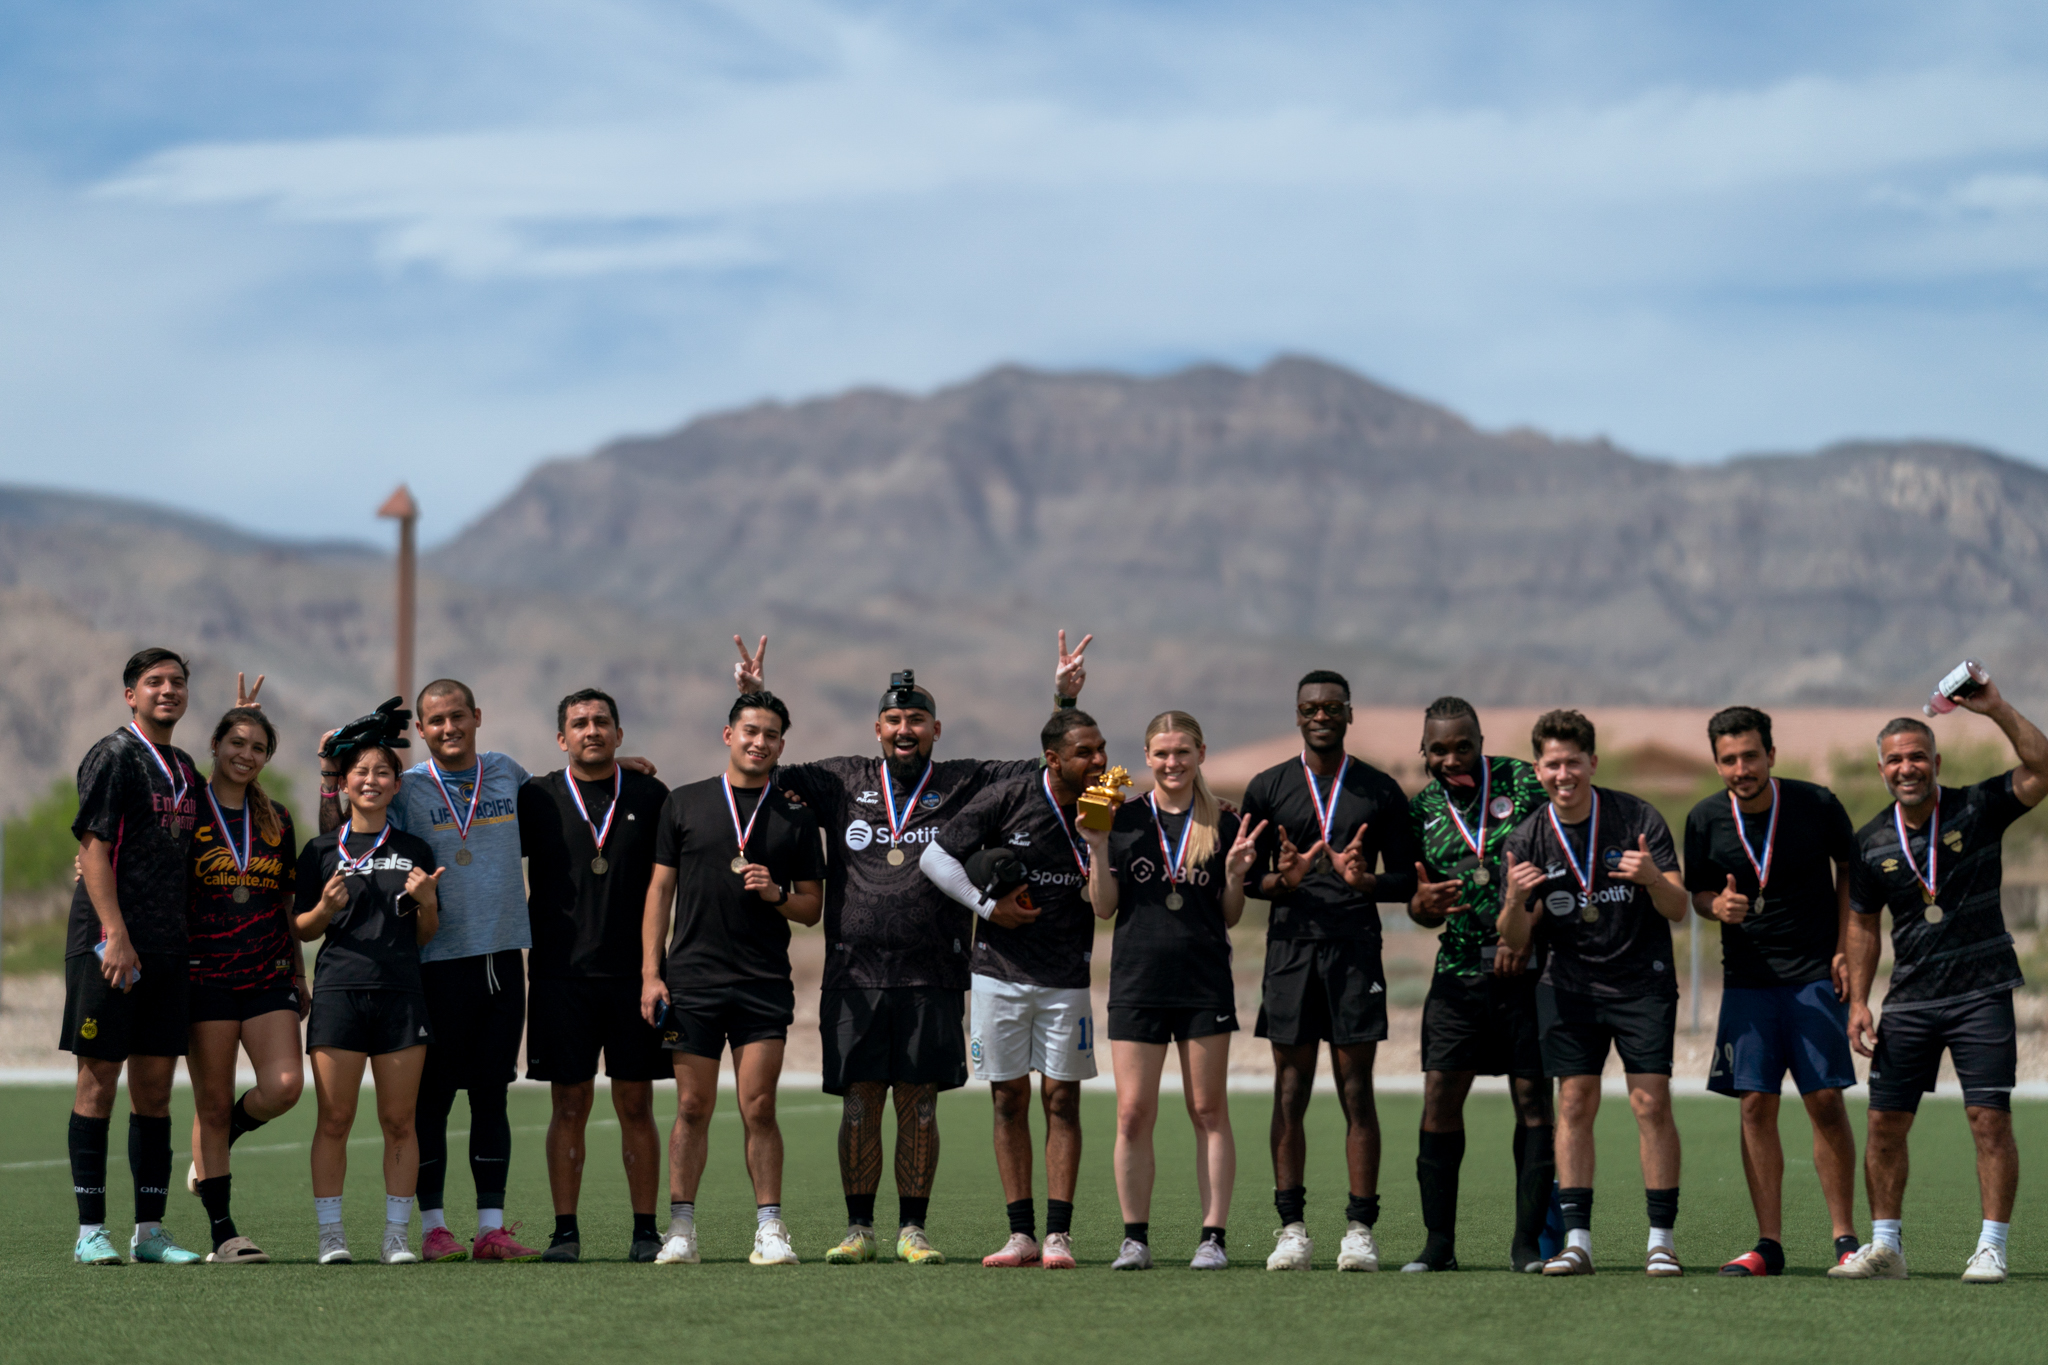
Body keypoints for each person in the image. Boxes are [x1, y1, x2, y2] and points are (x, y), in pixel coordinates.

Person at [733, 632, 1088, 1266]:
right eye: (894, 719)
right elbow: (760, 769)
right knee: (861, 1101)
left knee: (919, 1105)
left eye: (916, 719)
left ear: (935, 728)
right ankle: (859, 1228)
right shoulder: (839, 779)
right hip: (853, 970)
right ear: (877, 727)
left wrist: (1064, 698)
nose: (905, 728)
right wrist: (755, 697)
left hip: (934, 969)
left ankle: (913, 1229)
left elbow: (1050, 765)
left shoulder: (965, 780)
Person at [1830, 680, 2047, 1284]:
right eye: (1895, 759)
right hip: (1911, 1000)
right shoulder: (1872, 840)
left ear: (1936, 762)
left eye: (1917, 756)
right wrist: (1859, 1006)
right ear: (1881, 768)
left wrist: (1995, 708)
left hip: (1982, 991)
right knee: (1883, 1122)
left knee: (1988, 1119)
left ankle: (1992, 1247)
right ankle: (1886, 1248)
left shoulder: (1978, 807)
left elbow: (2043, 767)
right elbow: (1862, 926)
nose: (1907, 767)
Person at [1238, 669, 1420, 1272]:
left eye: (1332, 707)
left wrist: (1367, 881)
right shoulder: (1268, 787)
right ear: (1296, 714)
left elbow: (1406, 879)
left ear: (1349, 714)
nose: (1321, 715)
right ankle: (1291, 1227)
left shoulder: (1379, 789)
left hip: (1354, 950)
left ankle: (1359, 1229)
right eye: (1310, 707)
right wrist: (1282, 880)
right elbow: (1245, 881)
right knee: (1289, 1090)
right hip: (1291, 951)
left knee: (1355, 1090)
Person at [1498, 709, 1688, 1278]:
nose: (1564, 774)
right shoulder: (1528, 836)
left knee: (1650, 1104)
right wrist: (1511, 899)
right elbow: (1514, 938)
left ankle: (1661, 1241)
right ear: (1537, 770)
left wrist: (1652, 877)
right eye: (1553, 764)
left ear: (1592, 764)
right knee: (1573, 1105)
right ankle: (1576, 1242)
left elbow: (1678, 909)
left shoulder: (1637, 817)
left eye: (1573, 763)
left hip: (1641, 983)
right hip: (1569, 988)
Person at [640, 691, 824, 1268]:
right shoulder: (685, 803)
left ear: (781, 745)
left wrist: (776, 896)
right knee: (692, 1106)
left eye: (770, 734)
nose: (758, 741)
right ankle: (681, 1230)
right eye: (749, 730)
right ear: (728, 735)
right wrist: (651, 974)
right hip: (691, 980)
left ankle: (770, 1229)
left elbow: (812, 908)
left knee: (759, 1106)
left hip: (761, 982)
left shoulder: (796, 815)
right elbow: (659, 892)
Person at [924, 708, 1108, 1270]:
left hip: (1066, 978)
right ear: (1054, 759)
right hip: (998, 974)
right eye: (1085, 752)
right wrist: (986, 906)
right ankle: (1021, 1235)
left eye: (1101, 748)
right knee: (1008, 1099)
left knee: (1062, 1100)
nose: (1099, 760)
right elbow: (934, 855)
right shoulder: (1008, 797)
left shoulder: (1108, 804)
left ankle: (1058, 1236)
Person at [1683, 706, 1861, 1276]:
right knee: (1756, 1105)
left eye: (1751, 756)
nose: (1742, 767)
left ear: (1772, 755)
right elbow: (1698, 894)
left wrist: (1844, 947)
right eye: (1729, 759)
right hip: (1748, 981)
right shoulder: (1704, 818)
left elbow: (1849, 873)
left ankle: (1845, 1240)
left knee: (1825, 1101)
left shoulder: (1817, 803)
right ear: (1717, 763)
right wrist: (1717, 906)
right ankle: (1769, 1245)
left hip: (1814, 975)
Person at [1081, 710, 1261, 1271]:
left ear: (1201, 754)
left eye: (1182, 752)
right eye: (1161, 754)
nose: (1171, 763)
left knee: (1208, 1109)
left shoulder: (1226, 822)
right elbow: (1105, 907)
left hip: (1204, 984)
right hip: (1136, 984)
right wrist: (1095, 846)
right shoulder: (1123, 819)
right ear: (1147, 758)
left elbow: (1230, 916)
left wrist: (1234, 877)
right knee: (1133, 1114)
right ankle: (1134, 1238)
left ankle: (1213, 1239)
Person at [382, 679, 540, 1262]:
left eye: (457, 717)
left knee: (491, 1096)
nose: (448, 729)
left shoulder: (508, 774)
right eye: (435, 722)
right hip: (432, 963)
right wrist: (332, 769)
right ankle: (434, 1229)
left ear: (477, 716)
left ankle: (492, 1230)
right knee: (432, 1102)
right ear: (420, 730)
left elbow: (567, 798)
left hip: (500, 957)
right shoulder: (407, 788)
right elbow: (353, 821)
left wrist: (614, 762)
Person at [61, 648, 206, 1267]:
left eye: (177, 681)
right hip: (109, 945)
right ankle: (91, 1230)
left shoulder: (184, 765)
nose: (167, 690)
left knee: (155, 1089)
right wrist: (114, 934)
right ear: (131, 694)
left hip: (169, 948)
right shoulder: (114, 754)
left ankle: (150, 1232)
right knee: (99, 1080)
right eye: (154, 682)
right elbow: (93, 846)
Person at [1401, 697, 1556, 1274]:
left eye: (1462, 745)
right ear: (1425, 751)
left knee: (1533, 1100)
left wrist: (1527, 933)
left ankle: (1527, 1245)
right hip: (1459, 972)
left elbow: (1556, 864)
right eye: (1438, 749)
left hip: (1528, 971)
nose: (1451, 757)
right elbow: (1419, 905)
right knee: (1440, 1096)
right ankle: (1438, 1244)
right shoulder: (1421, 812)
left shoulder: (1524, 782)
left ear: (1481, 740)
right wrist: (1420, 905)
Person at [519, 688, 673, 1264]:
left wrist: (653, 971)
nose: (592, 731)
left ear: (620, 734)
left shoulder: (652, 795)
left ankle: (645, 1231)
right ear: (562, 738)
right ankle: (565, 1232)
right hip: (560, 977)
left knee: (636, 1104)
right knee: (569, 1104)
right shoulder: (535, 797)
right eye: (579, 724)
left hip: (635, 979)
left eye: (602, 722)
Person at [295, 738, 443, 1265]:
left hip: (401, 996)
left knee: (400, 1121)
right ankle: (331, 1236)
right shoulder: (319, 851)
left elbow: (426, 934)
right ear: (345, 782)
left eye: (383, 772)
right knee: (334, 1119)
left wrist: (427, 903)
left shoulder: (416, 850)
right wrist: (324, 909)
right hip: (338, 994)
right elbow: (301, 931)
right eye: (361, 771)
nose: (371, 780)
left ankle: (396, 1237)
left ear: (396, 786)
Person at [183, 704, 306, 1263]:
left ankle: (226, 1135)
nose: (246, 755)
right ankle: (223, 1233)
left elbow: (285, 901)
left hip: (267, 971)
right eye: (237, 742)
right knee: (209, 1102)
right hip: (203, 974)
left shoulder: (277, 818)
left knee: (283, 1086)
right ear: (215, 744)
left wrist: (300, 969)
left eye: (257, 748)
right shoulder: (187, 812)